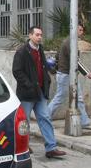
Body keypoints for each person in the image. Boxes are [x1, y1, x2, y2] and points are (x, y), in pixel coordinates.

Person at [12, 26, 66, 158]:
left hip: (41, 91)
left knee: (45, 118)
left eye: (41, 35)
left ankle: (51, 148)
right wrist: (29, 85)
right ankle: (23, 146)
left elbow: (42, 66)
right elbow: (17, 71)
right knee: (24, 122)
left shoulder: (40, 49)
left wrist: (50, 70)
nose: (39, 37)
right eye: (37, 35)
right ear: (30, 36)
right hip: (27, 93)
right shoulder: (22, 52)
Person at [47, 24, 91, 130]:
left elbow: (58, 56)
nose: (81, 32)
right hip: (65, 75)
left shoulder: (68, 41)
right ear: (73, 30)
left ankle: (85, 122)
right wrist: (87, 73)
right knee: (60, 98)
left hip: (68, 75)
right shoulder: (69, 42)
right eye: (80, 30)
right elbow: (75, 61)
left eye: (82, 30)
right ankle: (45, 117)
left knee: (79, 98)